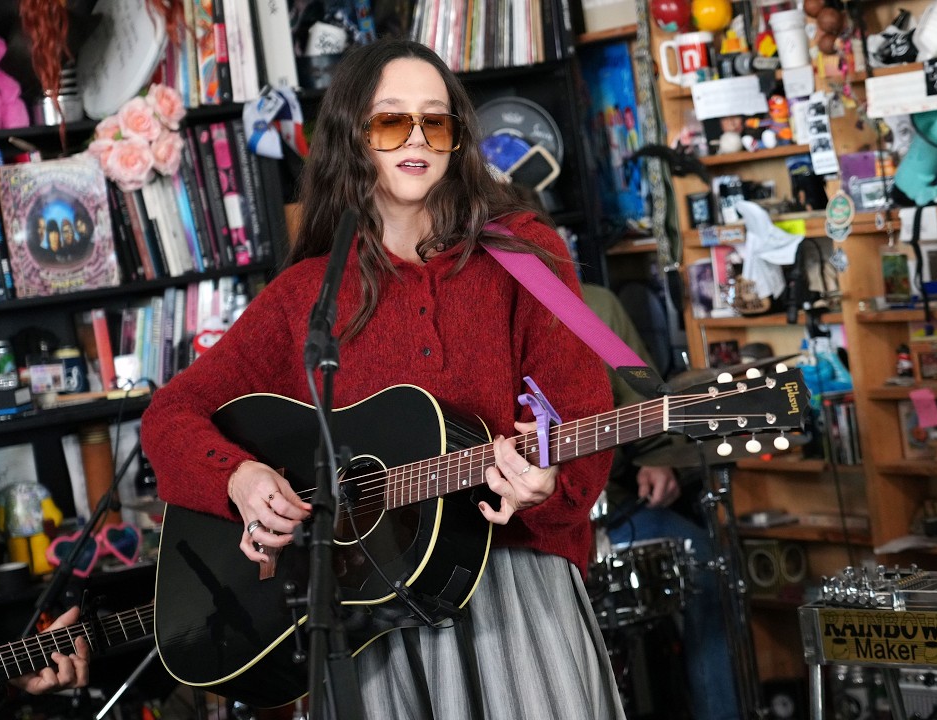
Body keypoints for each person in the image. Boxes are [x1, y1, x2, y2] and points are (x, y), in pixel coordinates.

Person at [140, 37, 622, 720]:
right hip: (369, 626)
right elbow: (169, 415)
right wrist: (239, 479)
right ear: (352, 135)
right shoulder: (305, 293)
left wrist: (546, 489)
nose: (417, 138)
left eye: (436, 121)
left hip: (516, 599)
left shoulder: (530, 251)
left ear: (457, 138)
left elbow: (585, 421)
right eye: (393, 120)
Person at [584, 284, 741, 720]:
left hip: (607, 512)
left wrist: (657, 458)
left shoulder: (588, 304)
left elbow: (643, 397)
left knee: (702, 560)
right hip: (507, 530)